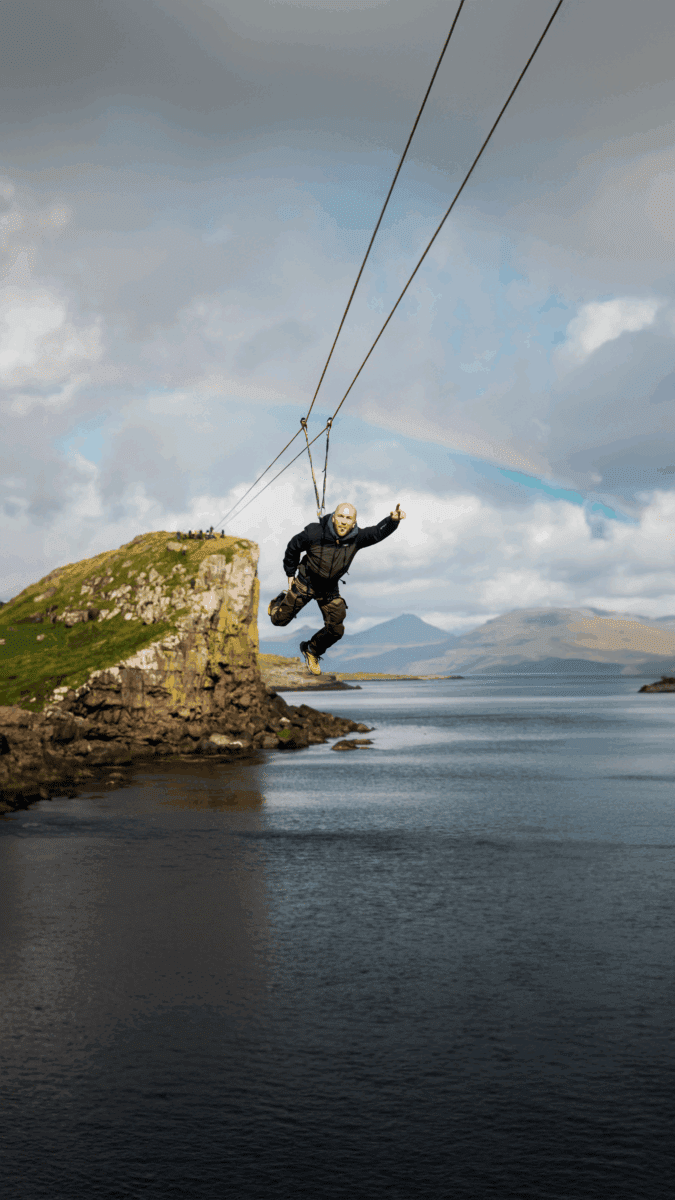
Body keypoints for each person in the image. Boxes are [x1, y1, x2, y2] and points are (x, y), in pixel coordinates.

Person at [268, 501, 406, 675]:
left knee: (336, 630)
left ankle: (311, 650)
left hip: (329, 590)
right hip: (306, 583)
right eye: (340, 516)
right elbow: (293, 547)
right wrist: (290, 573)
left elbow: (378, 532)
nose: (343, 521)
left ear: (353, 523)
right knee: (278, 621)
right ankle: (281, 599)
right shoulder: (314, 532)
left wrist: (393, 521)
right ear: (333, 517)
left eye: (348, 518)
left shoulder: (357, 538)